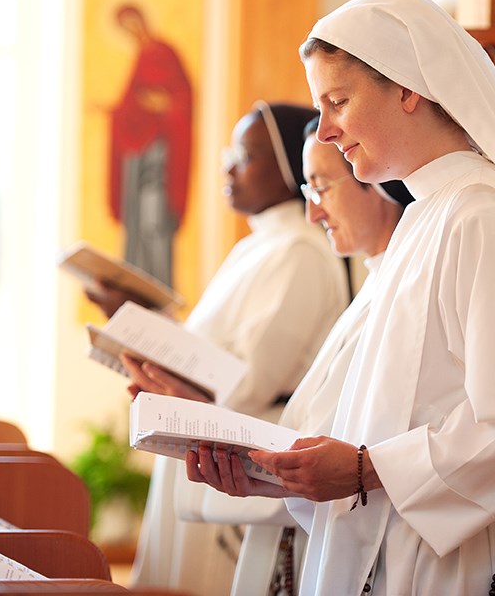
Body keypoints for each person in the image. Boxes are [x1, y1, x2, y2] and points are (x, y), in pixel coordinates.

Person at [186, 0, 495, 595]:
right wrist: (282, 478)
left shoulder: (481, 217)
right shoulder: (426, 217)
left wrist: (366, 470)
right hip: (392, 548)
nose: (329, 130)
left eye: (338, 101)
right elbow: (387, 412)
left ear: (408, 88)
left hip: (455, 565)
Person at [176, 115, 412, 595]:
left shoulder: (405, 291)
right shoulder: (375, 285)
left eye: (321, 187)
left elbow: (366, 458)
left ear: (381, 182)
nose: (313, 213)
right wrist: (259, 477)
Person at [123, 101, 350, 594]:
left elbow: (248, 381)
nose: (228, 166)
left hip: (243, 454)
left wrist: (177, 384)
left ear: (289, 169)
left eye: (245, 156)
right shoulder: (258, 245)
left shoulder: (298, 253)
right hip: (207, 438)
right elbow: (209, 351)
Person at [109, 3, 192, 285]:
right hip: (138, 151)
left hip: (159, 151)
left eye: (132, 23)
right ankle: (135, 286)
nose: (131, 31)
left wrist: (164, 104)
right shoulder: (141, 57)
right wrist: (113, 112)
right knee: (137, 221)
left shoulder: (162, 52)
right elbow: (131, 104)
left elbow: (182, 96)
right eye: (125, 28)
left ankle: (158, 289)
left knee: (153, 220)